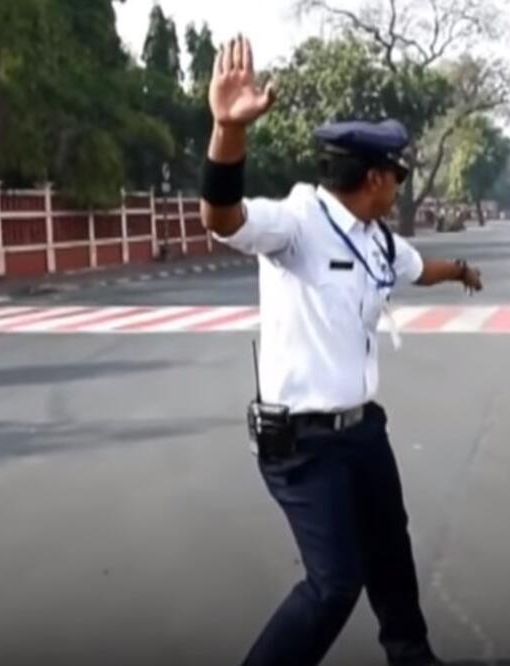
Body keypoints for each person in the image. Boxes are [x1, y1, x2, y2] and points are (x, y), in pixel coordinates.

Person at [199, 36, 482, 666]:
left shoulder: (377, 238)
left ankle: (410, 652)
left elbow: (416, 268)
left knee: (390, 549)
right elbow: (224, 220)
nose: (400, 183)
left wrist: (459, 268)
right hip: (302, 442)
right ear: (377, 178)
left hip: (362, 431)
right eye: (399, 173)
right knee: (333, 586)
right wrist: (227, 131)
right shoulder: (297, 222)